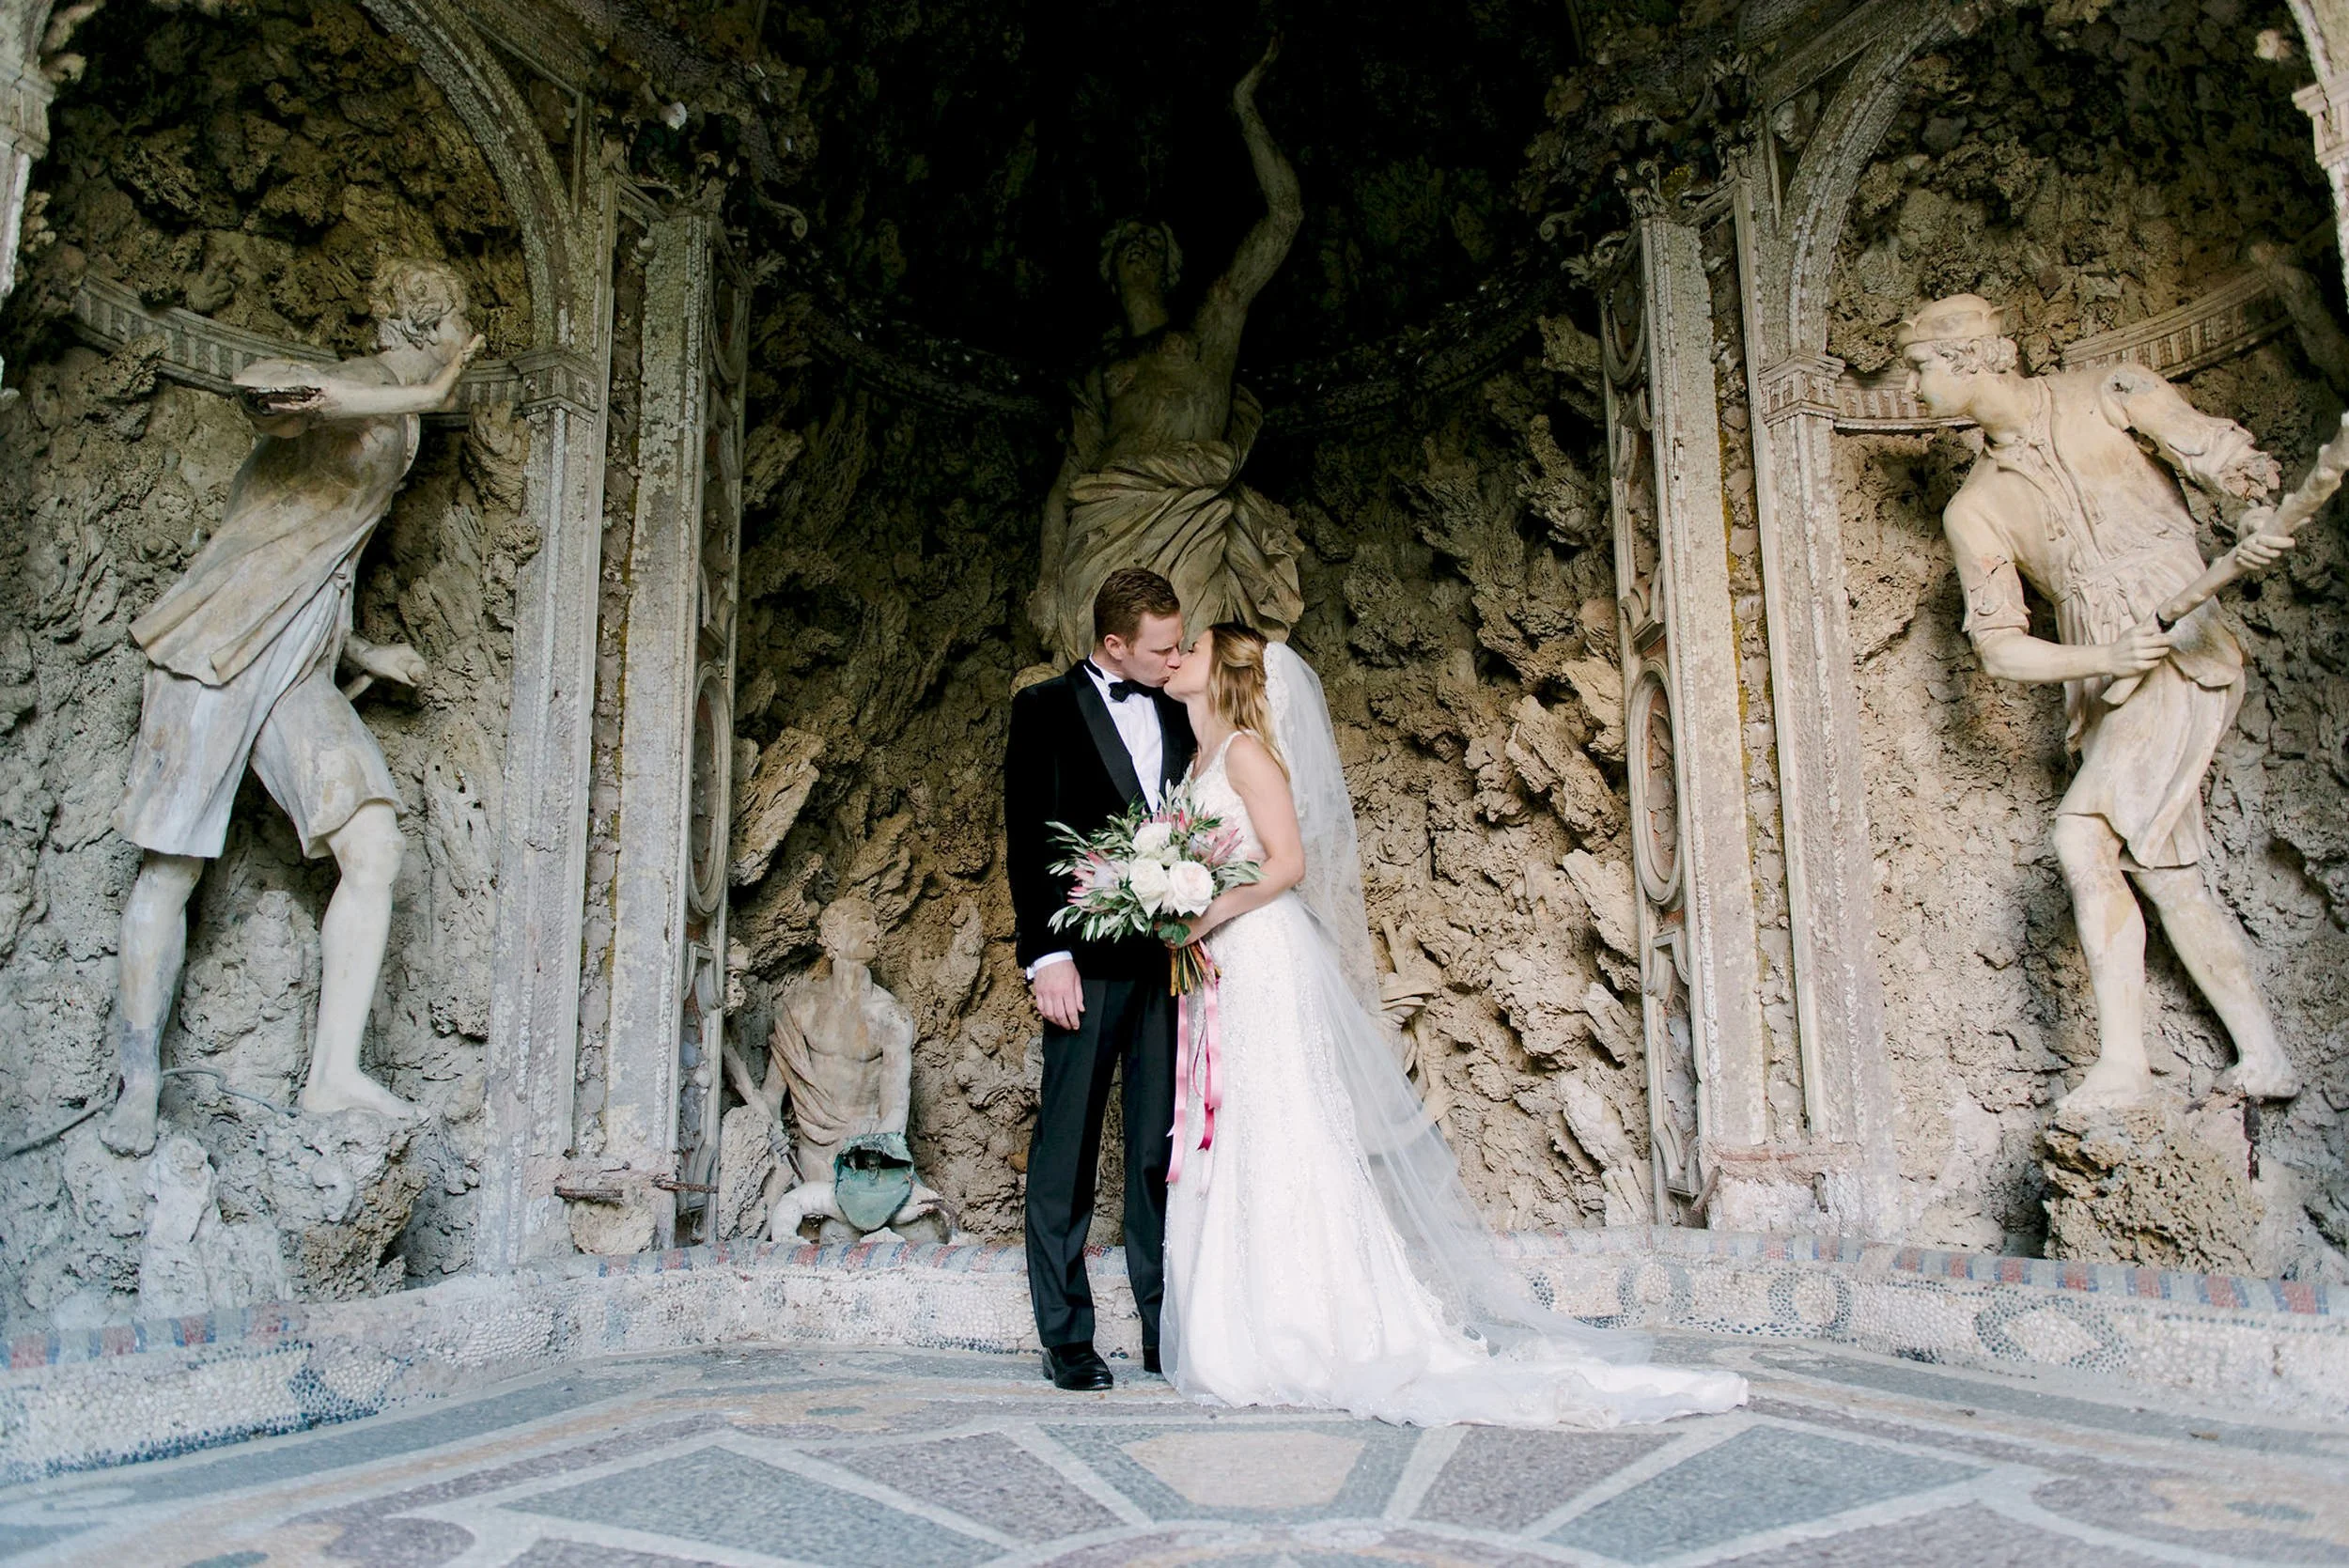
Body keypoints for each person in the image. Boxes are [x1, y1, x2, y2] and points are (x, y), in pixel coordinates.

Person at [1153, 622, 1748, 1426]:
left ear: (1222, 670)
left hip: (1259, 952)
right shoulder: (1197, 760)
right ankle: (1242, 1322)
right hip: (1220, 961)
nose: (1177, 653)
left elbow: (1287, 862)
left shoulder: (1248, 755)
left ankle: (1304, 1325)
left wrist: (1205, 908)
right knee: (1236, 1123)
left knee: (1280, 1119)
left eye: (1191, 645)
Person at [100, 260, 483, 1157]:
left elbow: (324, 546)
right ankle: (138, 1075)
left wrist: (364, 652)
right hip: (221, 642)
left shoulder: (399, 425)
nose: (469, 335)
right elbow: (262, 388)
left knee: (376, 844)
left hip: (300, 662)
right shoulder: (352, 390)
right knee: (170, 867)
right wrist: (417, 392)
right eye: (460, 318)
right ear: (423, 323)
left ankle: (332, 1076)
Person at [1901, 293, 2301, 1110]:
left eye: (1920, 367)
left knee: (2083, 837)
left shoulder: (2109, 391)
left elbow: (2222, 458)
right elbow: (2001, 646)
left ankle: (2123, 1064)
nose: (1911, 388)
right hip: (2112, 677)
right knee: (2166, 869)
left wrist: (2257, 510)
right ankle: (2265, 1054)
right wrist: (2103, 655)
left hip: (2187, 644)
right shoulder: (1972, 508)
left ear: (1970, 358)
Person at [1028, 39, 1306, 667]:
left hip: (1190, 511)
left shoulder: (1211, 325)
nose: (1138, 249)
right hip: (1104, 518)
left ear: (1173, 265)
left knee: (1194, 668)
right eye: (1125, 244)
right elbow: (1067, 478)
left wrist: (1245, 108)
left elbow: (1284, 217)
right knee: (1095, 678)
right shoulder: (1098, 372)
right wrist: (1046, 579)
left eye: (1151, 243)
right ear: (1105, 271)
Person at [1004, 567, 1196, 1389]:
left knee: (1160, 1148)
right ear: (1115, 643)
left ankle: (1166, 1329)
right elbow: (1026, 838)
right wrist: (1046, 956)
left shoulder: (1185, 708)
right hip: (1081, 965)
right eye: (1162, 646)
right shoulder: (1042, 709)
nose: (1176, 655)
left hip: (1168, 964)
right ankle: (1067, 1336)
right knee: (1068, 1147)